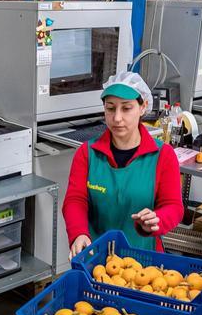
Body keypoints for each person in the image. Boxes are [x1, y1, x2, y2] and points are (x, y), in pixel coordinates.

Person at [62, 71, 184, 257]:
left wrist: (156, 220)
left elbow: (173, 206)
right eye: (110, 108)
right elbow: (75, 200)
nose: (117, 118)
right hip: (96, 258)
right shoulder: (87, 153)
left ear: (143, 107)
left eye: (126, 108)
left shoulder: (163, 156)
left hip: (145, 261)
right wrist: (78, 234)